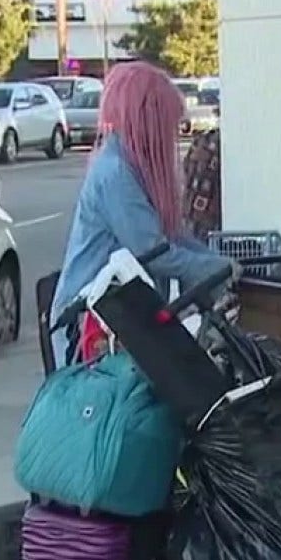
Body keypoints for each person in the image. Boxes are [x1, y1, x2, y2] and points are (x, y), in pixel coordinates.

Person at [50, 61, 236, 363]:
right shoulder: (116, 174)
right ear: (149, 121)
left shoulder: (129, 167)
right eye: (168, 125)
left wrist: (214, 263)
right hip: (90, 331)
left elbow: (173, 237)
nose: (172, 137)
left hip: (120, 320)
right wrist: (216, 268)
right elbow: (153, 252)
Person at [182, 123, 221, 239]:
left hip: (191, 215)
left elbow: (186, 168)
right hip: (207, 220)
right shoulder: (219, 144)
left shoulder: (200, 141)